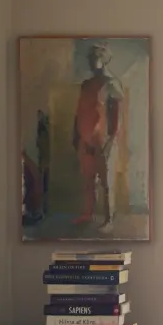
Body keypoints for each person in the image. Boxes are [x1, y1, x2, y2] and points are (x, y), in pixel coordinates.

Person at [72, 42, 123, 229]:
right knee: (88, 180)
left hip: (104, 142)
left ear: (103, 60)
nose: (92, 63)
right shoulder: (86, 85)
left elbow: (116, 115)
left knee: (106, 182)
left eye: (95, 59)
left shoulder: (111, 84)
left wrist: (111, 140)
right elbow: (79, 112)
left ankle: (109, 219)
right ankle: (88, 214)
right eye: (90, 59)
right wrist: (76, 135)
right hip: (86, 141)